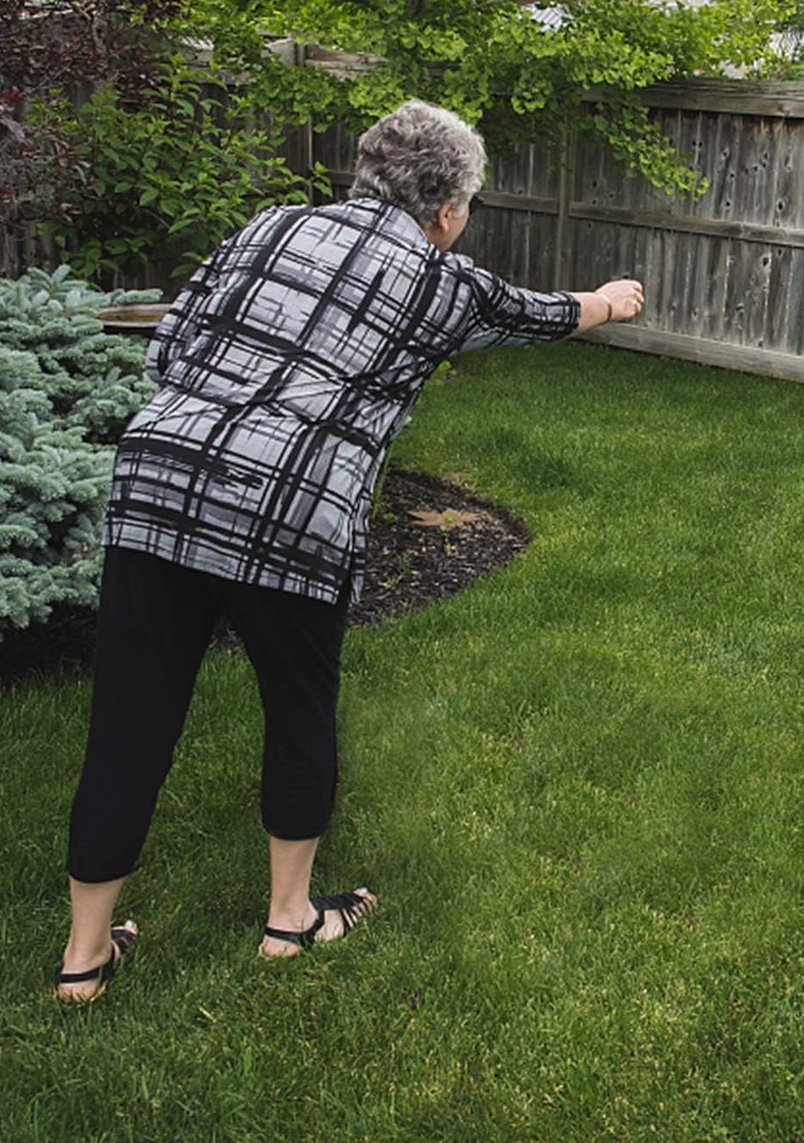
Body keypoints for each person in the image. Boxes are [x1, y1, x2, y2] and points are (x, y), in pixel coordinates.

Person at [54, 98, 645, 1002]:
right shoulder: (444, 282)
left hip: (158, 479)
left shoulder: (265, 227)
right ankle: (289, 921)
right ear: (447, 211)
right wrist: (608, 301)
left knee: (130, 722)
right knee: (300, 711)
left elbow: (172, 342)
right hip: (293, 510)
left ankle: (84, 959)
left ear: (366, 173)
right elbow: (543, 314)